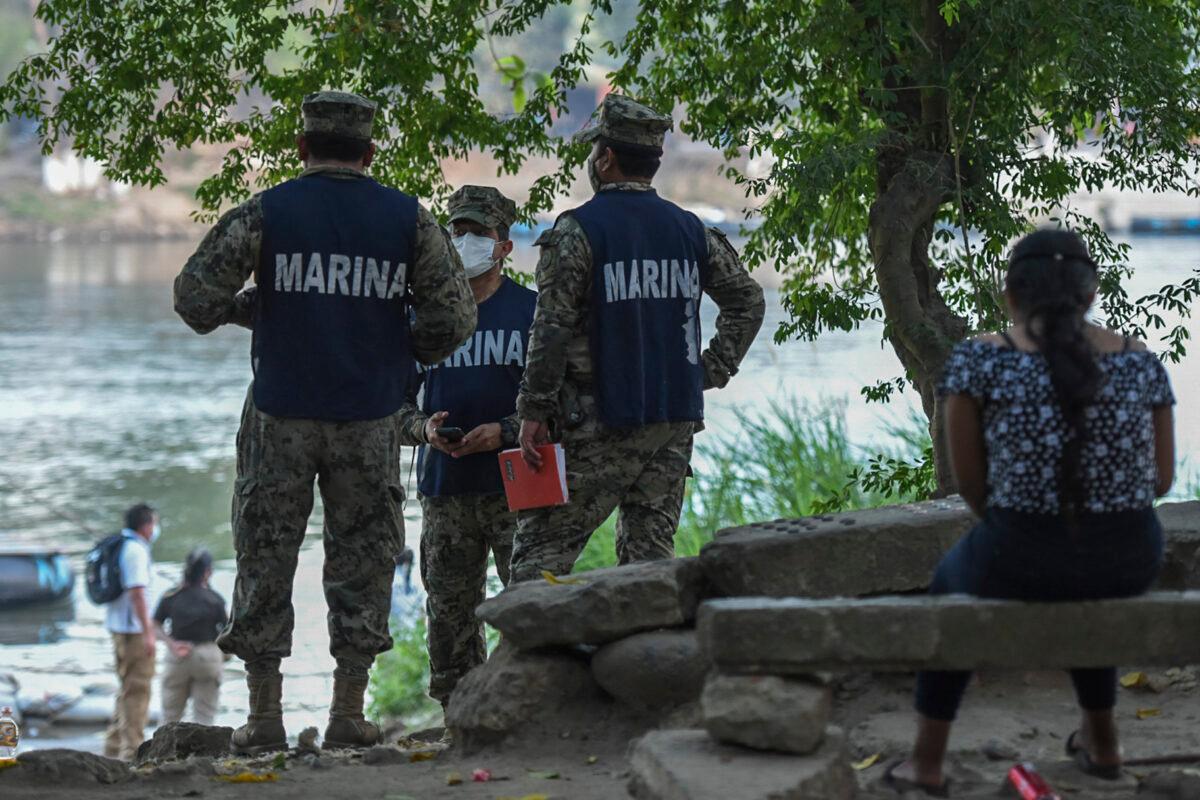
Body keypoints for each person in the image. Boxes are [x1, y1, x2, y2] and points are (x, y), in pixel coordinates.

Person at [173, 91, 476, 754]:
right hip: (368, 414)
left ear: (302, 148)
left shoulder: (268, 211)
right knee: (364, 558)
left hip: (279, 410)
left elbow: (194, 298)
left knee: (265, 554)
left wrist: (258, 308)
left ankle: (263, 718)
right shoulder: (408, 219)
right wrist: (398, 346)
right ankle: (347, 712)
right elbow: (454, 319)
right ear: (370, 153)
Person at [885, 229, 1176, 796]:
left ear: (1011, 296)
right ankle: (1105, 745)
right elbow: (1160, 481)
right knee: (1087, 579)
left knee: (951, 588)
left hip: (1021, 552)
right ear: (1090, 295)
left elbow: (971, 484)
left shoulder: (980, 359)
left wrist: (1020, 527)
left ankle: (926, 762)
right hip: (1129, 557)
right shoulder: (1140, 361)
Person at [511, 95, 765, 581]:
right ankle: (651, 655)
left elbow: (550, 330)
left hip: (596, 418)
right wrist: (711, 368)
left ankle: (530, 657)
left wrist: (532, 410)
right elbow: (748, 301)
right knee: (649, 562)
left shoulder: (578, 231)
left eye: (594, 152)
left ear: (604, 158)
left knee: (539, 558)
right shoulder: (690, 231)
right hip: (673, 418)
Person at [397, 185, 534, 709]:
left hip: (518, 487)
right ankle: (458, 714)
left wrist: (505, 429)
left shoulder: (532, 312)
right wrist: (423, 430)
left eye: (479, 233)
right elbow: (393, 407)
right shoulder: (424, 318)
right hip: (445, 490)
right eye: (457, 231)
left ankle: (524, 708)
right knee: (449, 613)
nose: (465, 241)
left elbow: (566, 400)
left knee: (527, 605)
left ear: (503, 246)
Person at [103, 503, 160, 761]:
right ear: (146, 525)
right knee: (138, 691)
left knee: (126, 689)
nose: (156, 529)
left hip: (118, 629)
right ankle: (132, 752)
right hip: (133, 632)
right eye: (154, 523)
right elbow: (137, 594)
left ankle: (113, 748)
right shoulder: (135, 550)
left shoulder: (120, 545)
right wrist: (149, 633)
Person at [153, 548, 227, 725]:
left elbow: (154, 625)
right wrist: (225, 656)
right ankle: (203, 752)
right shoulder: (215, 599)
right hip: (207, 658)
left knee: (169, 717)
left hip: (177, 656)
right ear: (208, 572)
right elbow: (229, 631)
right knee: (205, 718)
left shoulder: (171, 596)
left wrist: (171, 643)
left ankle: (162, 751)